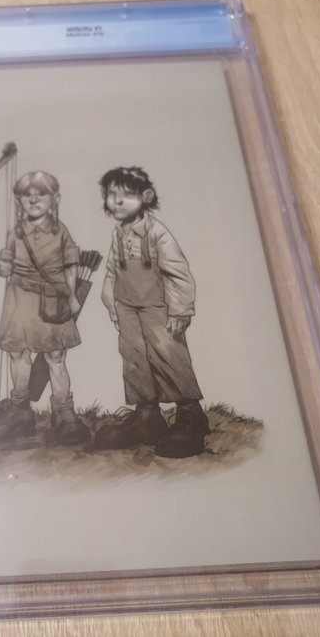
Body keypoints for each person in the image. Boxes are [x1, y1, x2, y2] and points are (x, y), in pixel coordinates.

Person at [96, 166, 210, 458]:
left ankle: (191, 416)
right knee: (134, 359)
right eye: (111, 194)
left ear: (146, 196)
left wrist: (180, 310)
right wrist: (111, 304)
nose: (117, 201)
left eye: (126, 194)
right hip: (127, 309)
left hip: (158, 309)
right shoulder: (118, 234)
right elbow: (111, 272)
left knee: (169, 357)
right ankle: (147, 418)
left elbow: (178, 273)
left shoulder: (157, 233)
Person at [0, 171, 90, 444]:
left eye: (41, 194)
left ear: (54, 199)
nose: (34, 199)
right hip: (19, 299)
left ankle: (63, 414)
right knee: (18, 354)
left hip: (52, 298)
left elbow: (71, 264)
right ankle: (20, 412)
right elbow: (7, 268)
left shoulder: (60, 231)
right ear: (19, 201)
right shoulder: (16, 234)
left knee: (55, 357)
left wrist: (71, 295)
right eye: (27, 195)